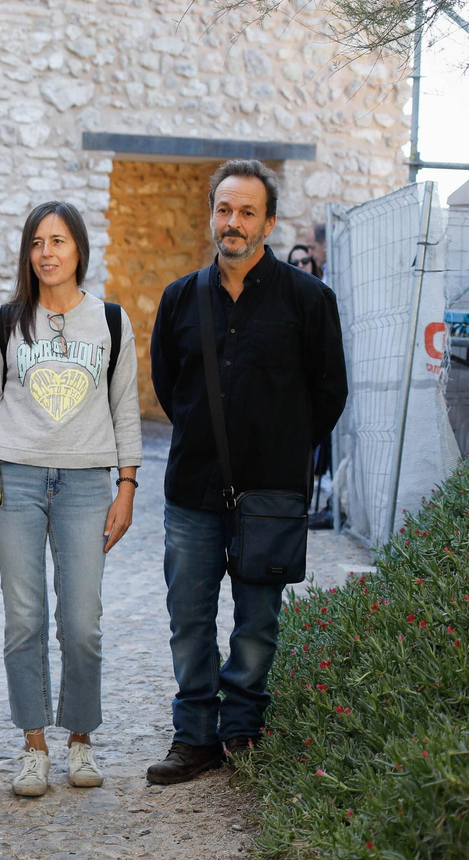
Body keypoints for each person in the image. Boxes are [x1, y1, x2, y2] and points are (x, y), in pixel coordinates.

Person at [146, 159, 347, 785]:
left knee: (258, 622)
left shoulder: (309, 301)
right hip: (192, 491)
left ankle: (243, 732)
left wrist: (281, 448)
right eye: (224, 210)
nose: (233, 223)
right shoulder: (180, 297)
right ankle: (195, 736)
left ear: (269, 221)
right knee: (189, 619)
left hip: (271, 496)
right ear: (212, 215)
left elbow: (329, 393)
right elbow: (164, 384)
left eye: (247, 212)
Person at [0, 201, 142, 797]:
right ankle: (34, 746)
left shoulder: (111, 322)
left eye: (58, 241)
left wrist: (127, 486)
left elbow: (125, 410)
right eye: (37, 242)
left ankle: (81, 740)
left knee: (82, 622)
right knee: (24, 619)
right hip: (12, 479)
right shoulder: (4, 321)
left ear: (78, 250)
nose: (47, 252)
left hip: (89, 483)